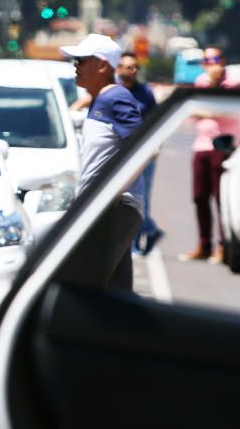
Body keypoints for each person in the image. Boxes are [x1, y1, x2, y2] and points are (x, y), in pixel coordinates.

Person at [61, 35, 145, 291]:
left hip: (113, 211)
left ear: (102, 66)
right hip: (105, 210)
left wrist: (112, 193)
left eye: (81, 60)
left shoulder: (115, 98)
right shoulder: (101, 99)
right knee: (116, 296)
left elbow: (146, 147)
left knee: (84, 285)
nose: (75, 65)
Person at [180, 45, 240, 263]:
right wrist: (205, 111)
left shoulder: (233, 84)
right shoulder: (200, 82)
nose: (210, 65)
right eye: (206, 61)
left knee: (220, 198)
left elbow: (224, 109)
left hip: (223, 147)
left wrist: (204, 111)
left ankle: (222, 246)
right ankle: (204, 244)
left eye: (214, 60)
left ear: (223, 61)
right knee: (199, 197)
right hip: (201, 146)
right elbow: (192, 110)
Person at [115, 52, 163, 256]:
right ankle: (150, 230)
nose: (132, 71)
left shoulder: (145, 92)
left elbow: (156, 119)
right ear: (118, 69)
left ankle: (135, 243)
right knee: (126, 199)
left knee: (140, 200)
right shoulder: (113, 92)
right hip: (121, 154)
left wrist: (156, 145)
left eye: (135, 67)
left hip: (144, 153)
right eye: (128, 67)